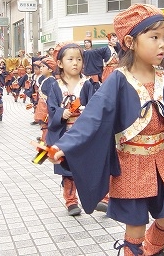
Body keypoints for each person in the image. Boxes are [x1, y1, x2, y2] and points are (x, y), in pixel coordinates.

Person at [48, 4, 164, 256]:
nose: (162, 44)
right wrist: (62, 145)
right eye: (154, 37)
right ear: (130, 41)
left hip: (161, 160)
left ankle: (152, 250)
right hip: (131, 163)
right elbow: (93, 118)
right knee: (136, 226)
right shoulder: (118, 80)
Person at [46, 41, 105, 216]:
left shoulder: (88, 84)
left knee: (91, 166)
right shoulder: (55, 86)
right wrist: (60, 113)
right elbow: (51, 107)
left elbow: (95, 106)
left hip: (84, 134)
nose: (75, 63)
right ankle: (71, 201)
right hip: (65, 133)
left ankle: (101, 198)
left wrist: (87, 111)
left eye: (79, 59)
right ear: (59, 63)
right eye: (70, 59)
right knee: (68, 167)